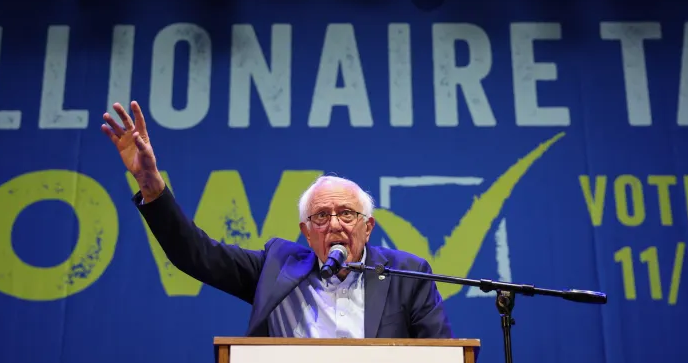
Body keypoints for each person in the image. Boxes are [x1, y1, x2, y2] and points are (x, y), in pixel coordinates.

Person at [101, 101, 454, 339]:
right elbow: (196, 254)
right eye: (321, 216)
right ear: (306, 231)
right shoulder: (276, 268)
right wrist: (150, 182)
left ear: (368, 226)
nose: (334, 224)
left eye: (347, 214)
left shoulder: (408, 275)